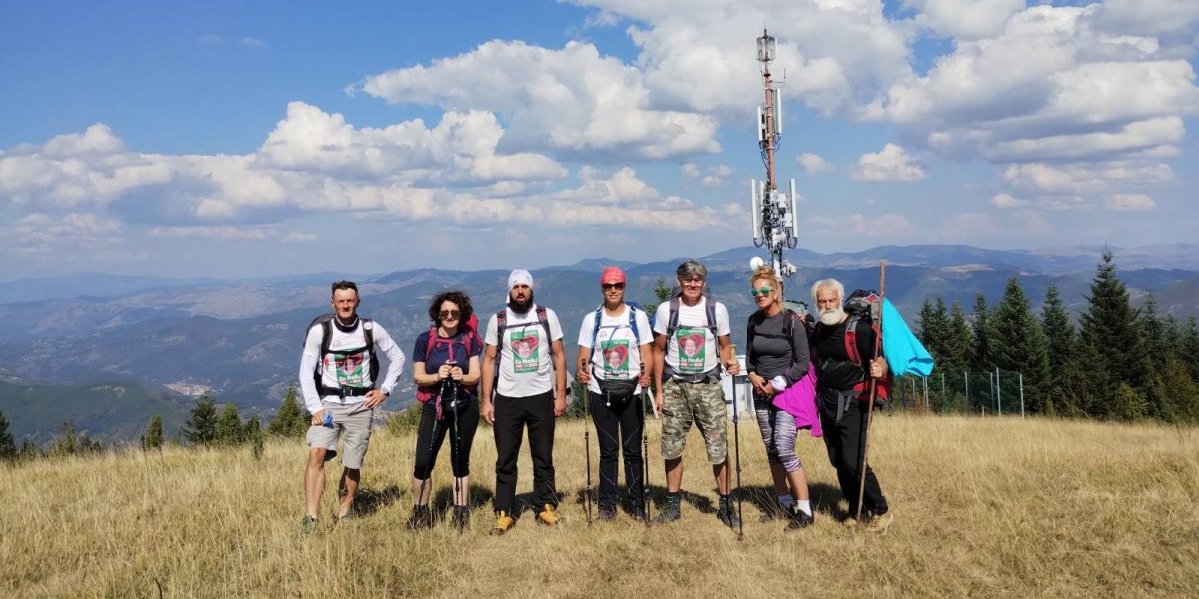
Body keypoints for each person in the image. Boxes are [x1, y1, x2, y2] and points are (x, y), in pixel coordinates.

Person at [298, 280, 405, 532]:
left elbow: (398, 357)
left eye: (350, 300)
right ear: (332, 303)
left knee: (353, 462)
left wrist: (385, 391)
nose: (346, 305)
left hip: (361, 405)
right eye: (341, 301)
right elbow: (305, 372)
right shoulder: (320, 332)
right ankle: (311, 518)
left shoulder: (371, 329)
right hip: (328, 405)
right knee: (317, 453)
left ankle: (344, 514)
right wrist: (315, 408)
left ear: (357, 301)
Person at [652, 259, 740, 527]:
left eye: (697, 280)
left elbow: (725, 345)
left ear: (704, 282)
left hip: (708, 385)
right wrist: (658, 391)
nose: (692, 284)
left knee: (718, 447)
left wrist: (729, 362)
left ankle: (725, 505)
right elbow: (658, 351)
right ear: (679, 282)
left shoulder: (717, 310)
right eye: (687, 279)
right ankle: (672, 505)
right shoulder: (667, 310)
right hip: (675, 386)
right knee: (672, 447)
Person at [480, 269, 568, 534]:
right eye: (516, 287)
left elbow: (559, 356)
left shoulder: (546, 316)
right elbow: (489, 360)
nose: (520, 291)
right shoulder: (498, 320)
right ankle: (505, 511)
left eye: (525, 287)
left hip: (541, 395)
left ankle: (545, 507)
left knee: (543, 455)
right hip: (507, 399)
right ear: (509, 291)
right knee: (506, 457)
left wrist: (560, 394)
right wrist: (486, 400)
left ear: (532, 290)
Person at [810, 278, 892, 533]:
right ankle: (857, 510)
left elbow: (882, 358)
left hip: (855, 402)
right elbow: (813, 359)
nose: (826, 305)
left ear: (840, 300)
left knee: (854, 461)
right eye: (822, 301)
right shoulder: (819, 330)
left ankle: (881, 510)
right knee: (837, 459)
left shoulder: (860, 329)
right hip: (827, 401)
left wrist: (881, 368)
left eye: (831, 300)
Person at [576, 266, 653, 521]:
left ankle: (636, 504)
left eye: (617, 285)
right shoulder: (592, 319)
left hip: (632, 391)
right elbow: (584, 356)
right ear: (602, 288)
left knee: (632, 451)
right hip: (601, 391)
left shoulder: (637, 317)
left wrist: (647, 376)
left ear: (624, 287)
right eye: (608, 286)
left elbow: (646, 351)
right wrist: (582, 372)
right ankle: (606, 505)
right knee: (608, 450)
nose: (613, 290)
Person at [744, 265, 815, 530]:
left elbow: (804, 363)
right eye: (755, 291)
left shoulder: (791, 321)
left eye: (764, 291)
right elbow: (750, 358)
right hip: (760, 393)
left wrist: (778, 384)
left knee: (784, 447)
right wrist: (752, 375)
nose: (759, 295)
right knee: (772, 451)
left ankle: (805, 510)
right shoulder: (753, 321)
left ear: (775, 292)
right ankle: (782, 504)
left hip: (786, 394)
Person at [406, 291, 483, 531]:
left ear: (462, 315)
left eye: (454, 313)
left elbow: (476, 374)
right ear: (437, 315)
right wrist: (437, 376)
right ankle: (420, 512)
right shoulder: (424, 340)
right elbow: (417, 376)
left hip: (464, 405)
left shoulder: (470, 338)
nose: (449, 316)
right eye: (444, 313)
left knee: (460, 460)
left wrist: (463, 376)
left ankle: (460, 513)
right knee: (423, 462)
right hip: (434, 405)